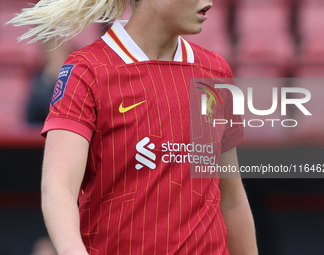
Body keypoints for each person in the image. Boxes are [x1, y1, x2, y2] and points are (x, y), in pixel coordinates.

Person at [9, 0, 258, 254]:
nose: (210, 2)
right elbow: (58, 187)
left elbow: (231, 200)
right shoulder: (87, 71)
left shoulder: (213, 72)